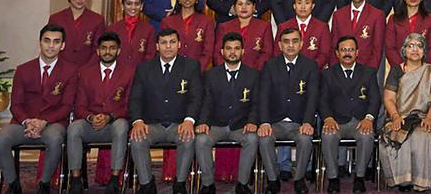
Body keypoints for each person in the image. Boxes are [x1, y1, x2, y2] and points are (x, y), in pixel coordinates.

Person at [0, 25, 78, 194]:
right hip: (23, 123)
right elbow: (16, 104)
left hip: (52, 123)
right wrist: (28, 122)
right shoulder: (23, 69)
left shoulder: (70, 71)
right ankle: (13, 184)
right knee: (0, 138)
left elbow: (67, 106)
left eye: (56, 42)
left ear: (63, 45)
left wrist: (43, 122)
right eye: (47, 41)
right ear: (39, 42)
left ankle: (44, 184)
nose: (51, 46)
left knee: (55, 138)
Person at [128, 28, 203, 194]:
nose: (168, 46)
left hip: (179, 124)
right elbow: (135, 99)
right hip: (152, 125)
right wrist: (138, 121)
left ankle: (180, 184)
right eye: (163, 43)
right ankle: (147, 184)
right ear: (156, 46)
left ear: (179, 45)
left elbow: (196, 97)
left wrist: (189, 120)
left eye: (172, 42)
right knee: (137, 139)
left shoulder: (191, 66)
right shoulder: (144, 68)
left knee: (189, 137)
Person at [378, 32, 431, 192]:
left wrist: (430, 118)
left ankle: (421, 182)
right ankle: (403, 180)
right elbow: (389, 99)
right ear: (404, 50)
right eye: (410, 46)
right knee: (397, 133)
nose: (415, 50)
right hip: (400, 117)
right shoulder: (396, 71)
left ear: (424, 51)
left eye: (419, 46)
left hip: (424, 118)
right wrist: (395, 116)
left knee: (422, 135)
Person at [68, 33, 135, 194]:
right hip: (90, 122)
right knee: (73, 128)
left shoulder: (129, 72)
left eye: (112, 48)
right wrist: (91, 117)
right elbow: (79, 105)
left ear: (118, 51)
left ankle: (114, 179)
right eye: (104, 48)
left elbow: (130, 105)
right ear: (98, 51)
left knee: (121, 127)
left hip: (115, 121)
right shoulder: (85, 72)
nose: (107, 52)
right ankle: (76, 180)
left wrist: (109, 117)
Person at [193, 32, 260, 194]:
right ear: (221, 51)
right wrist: (203, 122)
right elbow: (206, 102)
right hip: (216, 125)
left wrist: (252, 122)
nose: (232, 52)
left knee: (252, 138)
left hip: (241, 125)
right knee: (201, 140)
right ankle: (208, 184)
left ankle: (242, 184)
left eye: (237, 48)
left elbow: (257, 104)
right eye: (229, 48)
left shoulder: (253, 75)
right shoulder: (210, 75)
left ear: (243, 51)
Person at [256, 27, 319, 194]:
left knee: (306, 139)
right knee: (263, 138)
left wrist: (307, 121)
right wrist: (264, 122)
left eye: (295, 41)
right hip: (274, 122)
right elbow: (263, 96)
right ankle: (273, 180)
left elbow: (313, 97)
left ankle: (299, 180)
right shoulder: (270, 65)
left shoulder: (311, 66)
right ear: (280, 45)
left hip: (299, 122)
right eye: (286, 42)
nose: (290, 45)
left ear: (301, 44)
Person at [320, 36, 381, 194]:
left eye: (351, 50)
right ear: (337, 53)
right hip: (336, 121)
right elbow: (322, 100)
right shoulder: (327, 74)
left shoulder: (368, 72)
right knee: (327, 135)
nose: (347, 53)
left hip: (360, 121)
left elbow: (375, 99)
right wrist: (328, 118)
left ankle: (359, 178)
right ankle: (333, 179)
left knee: (367, 136)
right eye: (343, 50)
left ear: (357, 52)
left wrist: (369, 119)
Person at [331, 0, 387, 69]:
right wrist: (335, 71)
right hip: (341, 70)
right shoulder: (338, 15)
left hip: (366, 70)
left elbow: (377, 50)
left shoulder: (377, 15)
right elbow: (334, 46)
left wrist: (369, 73)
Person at [49, 0, 106, 68]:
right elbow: (51, 46)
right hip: (60, 69)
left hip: (87, 70)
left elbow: (98, 49)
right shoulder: (56, 19)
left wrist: (86, 69)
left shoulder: (97, 20)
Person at [386, 0, 431, 67]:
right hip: (399, 70)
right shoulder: (394, 19)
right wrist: (403, 67)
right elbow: (389, 48)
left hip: (423, 70)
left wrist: (419, 67)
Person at [162, 0, 215, 70]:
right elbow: (164, 50)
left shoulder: (206, 21)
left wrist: (196, 70)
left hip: (198, 72)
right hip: (173, 72)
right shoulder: (168, 22)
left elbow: (208, 52)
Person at [214, 0, 273, 69]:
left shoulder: (264, 26)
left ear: (254, 7)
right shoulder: (224, 27)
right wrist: (228, 70)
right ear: (234, 7)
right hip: (228, 74)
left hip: (256, 74)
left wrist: (252, 72)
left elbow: (267, 53)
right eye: (240, 4)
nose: (244, 7)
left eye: (248, 4)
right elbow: (218, 53)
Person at [277, 0, 332, 69]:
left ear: (312, 6)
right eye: (299, 3)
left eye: (307, 3)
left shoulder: (322, 27)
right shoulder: (284, 26)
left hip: (314, 72)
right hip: (288, 72)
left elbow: (325, 54)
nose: (303, 7)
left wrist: (310, 68)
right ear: (294, 6)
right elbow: (277, 52)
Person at [106, 0, 156, 69]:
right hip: (117, 74)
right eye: (129, 3)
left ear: (141, 6)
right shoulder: (112, 29)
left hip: (140, 75)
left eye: (137, 4)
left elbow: (150, 56)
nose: (133, 7)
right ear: (122, 6)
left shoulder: (149, 29)